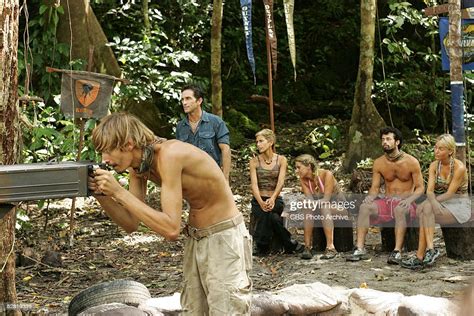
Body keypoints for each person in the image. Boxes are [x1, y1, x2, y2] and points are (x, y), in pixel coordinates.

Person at [89, 112, 251, 315]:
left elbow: (171, 228)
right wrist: (101, 195)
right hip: (197, 238)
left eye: (108, 151)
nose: (105, 160)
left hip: (223, 237)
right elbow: (131, 224)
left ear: (128, 144)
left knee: (227, 310)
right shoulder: (139, 166)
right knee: (194, 312)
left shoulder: (170, 154)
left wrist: (119, 192)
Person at [347, 127, 424, 264]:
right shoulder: (379, 163)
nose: (384, 142)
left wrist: (410, 200)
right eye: (383, 139)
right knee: (365, 207)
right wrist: (369, 198)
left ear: (397, 142)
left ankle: (397, 251)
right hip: (387, 202)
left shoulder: (411, 162)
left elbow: (420, 188)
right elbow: (375, 188)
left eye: (388, 139)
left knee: (399, 209)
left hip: (406, 202)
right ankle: (360, 248)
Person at [401, 134, 471, 269]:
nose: (436, 151)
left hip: (459, 205)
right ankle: (429, 251)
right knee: (425, 210)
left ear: (450, 151)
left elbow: (450, 194)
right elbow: (430, 191)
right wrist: (432, 202)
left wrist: (431, 202)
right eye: (435, 147)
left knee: (425, 210)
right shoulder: (434, 165)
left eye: (441, 148)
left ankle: (422, 255)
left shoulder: (459, 168)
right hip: (440, 202)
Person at [249, 129, 302, 256]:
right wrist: (261, 202)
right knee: (271, 217)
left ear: (270, 142)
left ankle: (261, 245)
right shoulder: (254, 161)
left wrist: (272, 198)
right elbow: (254, 185)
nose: (258, 145)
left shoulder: (281, 160)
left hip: (275, 199)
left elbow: (280, 182)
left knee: (269, 213)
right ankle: (290, 243)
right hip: (258, 199)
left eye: (261, 141)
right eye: (257, 142)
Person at [295, 154, 347, 260]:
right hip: (321, 208)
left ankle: (331, 247)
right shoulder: (304, 180)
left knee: (324, 206)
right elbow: (310, 200)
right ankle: (307, 247)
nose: (297, 171)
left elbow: (326, 199)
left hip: (340, 208)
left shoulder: (326, 174)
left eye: (299, 167)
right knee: (307, 207)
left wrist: (313, 203)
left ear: (308, 166)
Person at [176, 84, 231, 182]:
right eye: (182, 99)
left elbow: (225, 150)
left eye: (188, 98)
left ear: (199, 101)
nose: (184, 103)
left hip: (212, 177)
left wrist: (225, 178)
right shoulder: (180, 126)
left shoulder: (215, 122)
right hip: (189, 180)